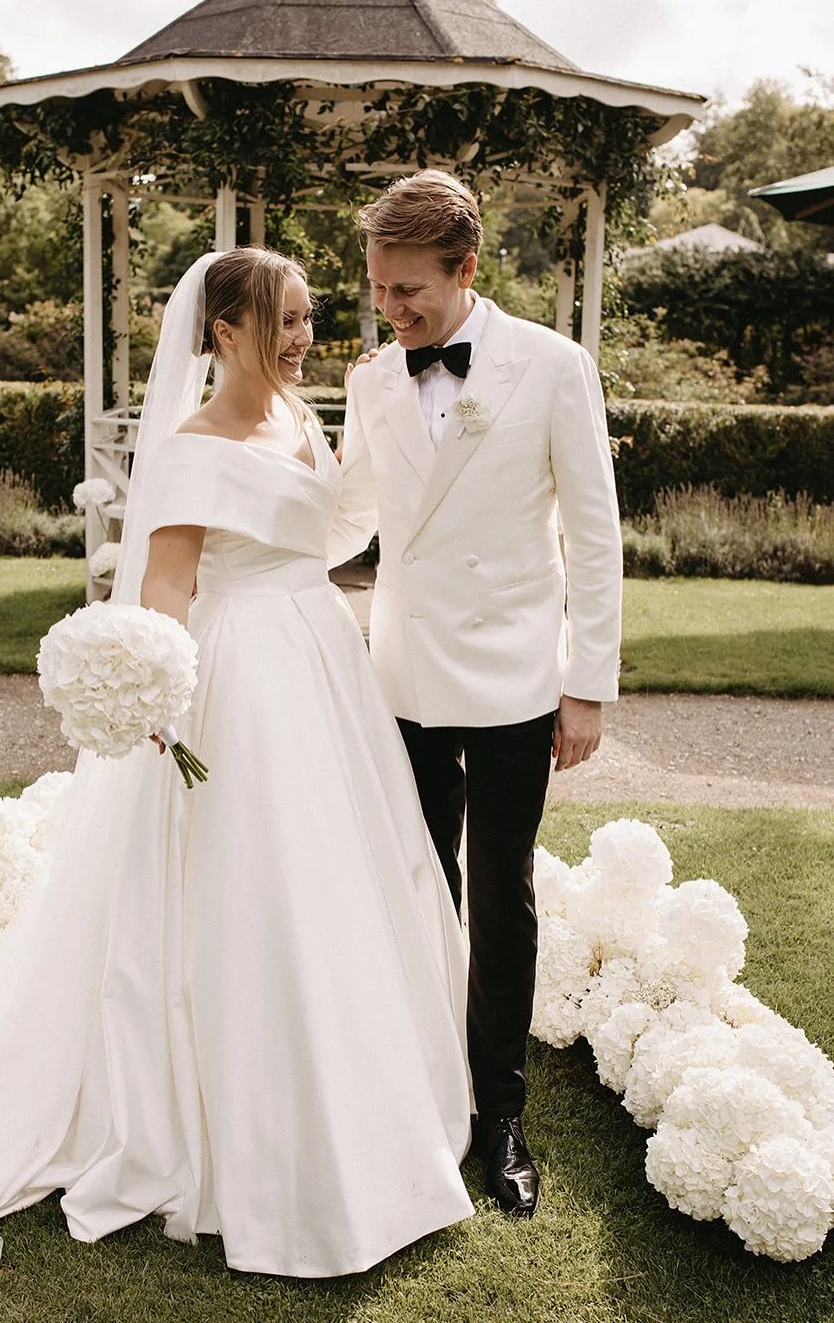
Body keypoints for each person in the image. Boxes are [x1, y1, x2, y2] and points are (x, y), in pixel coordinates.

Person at [0, 248, 474, 1322]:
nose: (300, 337)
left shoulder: (299, 417)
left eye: (305, 317)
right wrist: (156, 700)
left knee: (341, 882)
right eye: (281, 320)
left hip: (323, 661)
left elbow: (326, 532)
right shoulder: (187, 450)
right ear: (223, 330)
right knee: (256, 885)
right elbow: (166, 586)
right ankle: (239, 1131)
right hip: (241, 679)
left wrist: (372, 451)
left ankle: (368, 1094)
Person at [330, 170, 623, 1220]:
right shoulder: (370, 379)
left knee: (500, 893)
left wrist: (584, 687)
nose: (390, 310)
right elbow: (347, 509)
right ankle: (415, 1088)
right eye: (378, 289)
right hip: (397, 673)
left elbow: (592, 538)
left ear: (465, 270)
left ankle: (498, 1112)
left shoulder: (552, 366)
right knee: (411, 880)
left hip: (512, 679)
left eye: (408, 291)